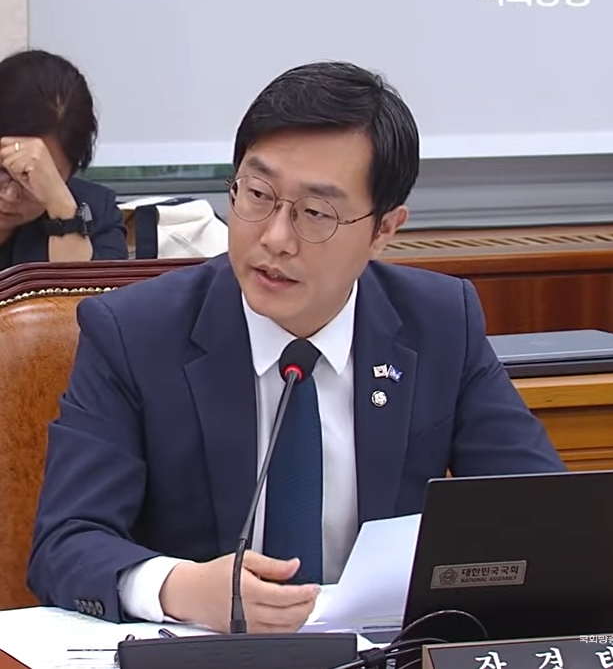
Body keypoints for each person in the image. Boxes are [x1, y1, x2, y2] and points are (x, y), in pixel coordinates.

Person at [28, 61, 565, 634]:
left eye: (316, 213)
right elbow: (65, 541)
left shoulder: (438, 324)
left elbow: (544, 517)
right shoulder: (135, 332)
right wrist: (180, 587)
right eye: (258, 194)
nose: (275, 238)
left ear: (384, 229)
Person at [0, 50, 127, 271]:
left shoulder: (98, 214)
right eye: (3, 169)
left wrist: (63, 213)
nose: (10, 195)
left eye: (32, 176)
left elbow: (91, 293)